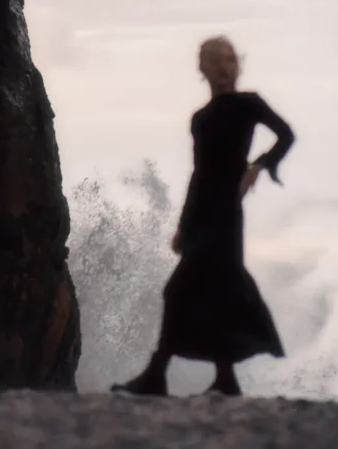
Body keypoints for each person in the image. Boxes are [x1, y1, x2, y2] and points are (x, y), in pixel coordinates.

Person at [111, 35, 296, 397]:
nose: (226, 66)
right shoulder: (201, 118)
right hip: (202, 212)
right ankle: (225, 380)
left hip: (226, 213)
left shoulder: (248, 104)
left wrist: (259, 165)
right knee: (218, 291)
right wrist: (183, 225)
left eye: (231, 60)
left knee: (179, 290)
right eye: (217, 60)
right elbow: (198, 174)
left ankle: (156, 376)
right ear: (202, 67)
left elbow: (286, 135)